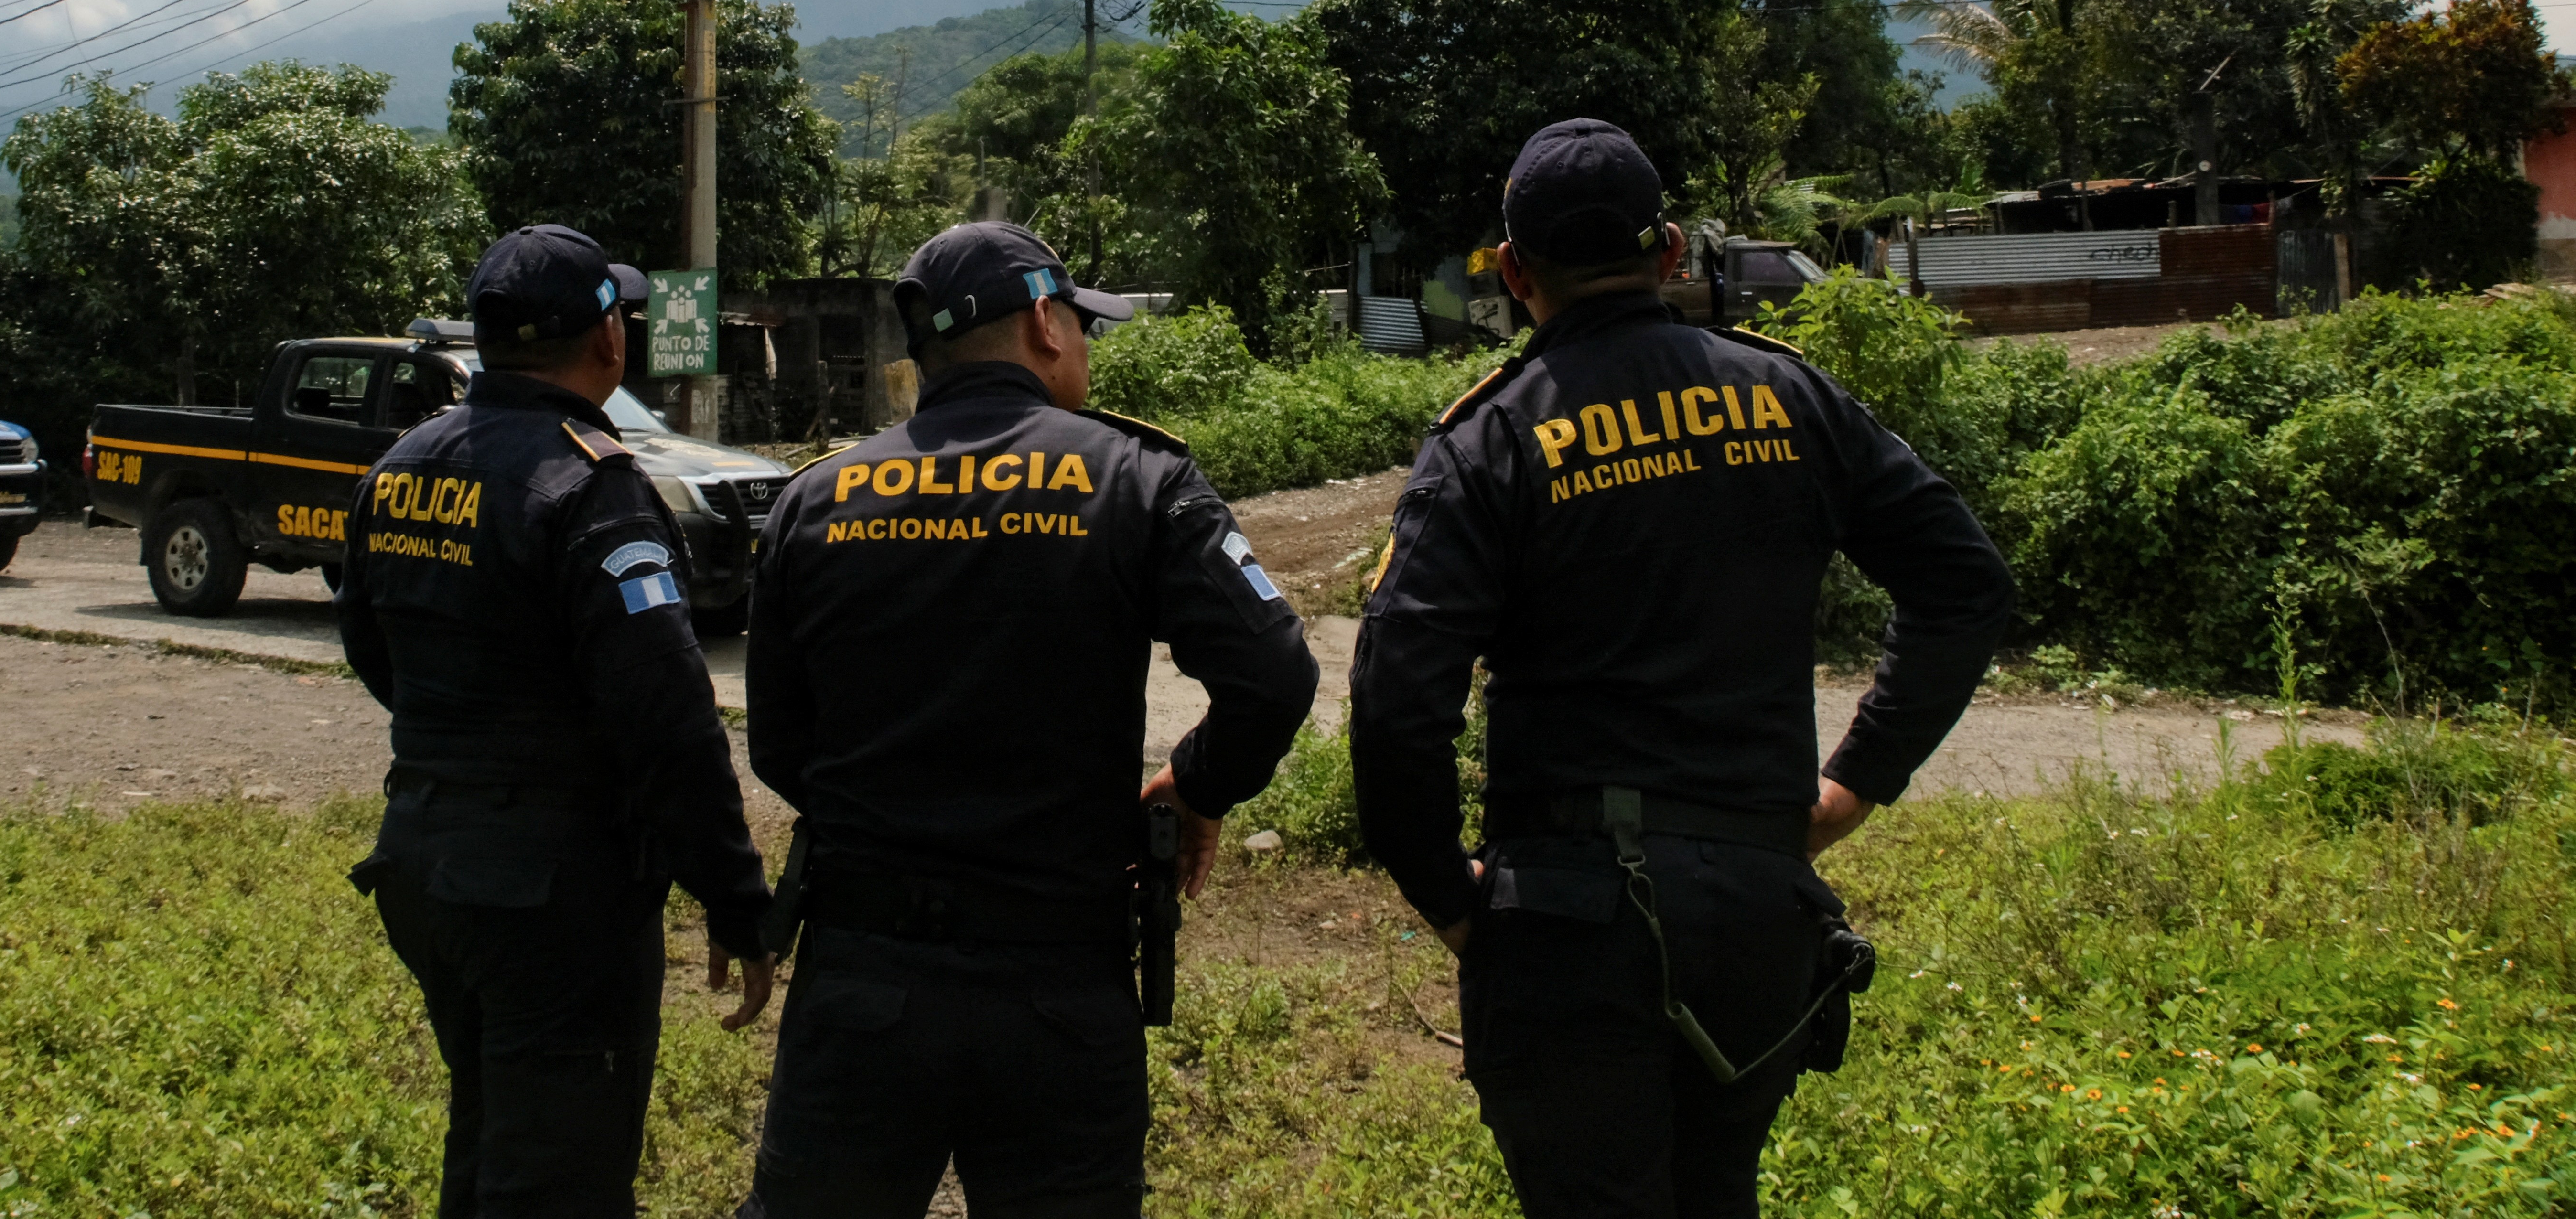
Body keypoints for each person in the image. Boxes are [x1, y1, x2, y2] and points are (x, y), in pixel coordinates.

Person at [1348, 119, 2015, 1219]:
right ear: (1666, 251)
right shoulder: (1787, 397)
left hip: (1564, 924)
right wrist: (1852, 783)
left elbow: (1394, 702)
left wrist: (1452, 901)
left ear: (1514, 274)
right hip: (1761, 910)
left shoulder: (1492, 438)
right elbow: (1964, 583)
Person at [738, 220, 1321, 1218]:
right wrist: (1196, 784)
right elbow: (1273, 672)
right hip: (1057, 983)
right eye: (1081, 324)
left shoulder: (817, 496)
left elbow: (782, 744)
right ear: (1047, 324)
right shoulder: (1138, 479)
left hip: (862, 983)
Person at [337, 224, 776, 1219]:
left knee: (489, 1132)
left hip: (421, 859)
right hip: (549, 890)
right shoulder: (592, 484)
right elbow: (666, 713)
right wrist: (735, 895)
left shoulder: (401, 465)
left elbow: (370, 646)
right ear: (609, 342)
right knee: (560, 1175)